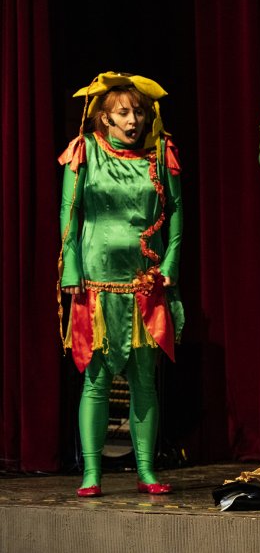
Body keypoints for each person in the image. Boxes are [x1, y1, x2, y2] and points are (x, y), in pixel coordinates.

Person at [58, 72, 184, 497]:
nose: (133, 120)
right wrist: (70, 267)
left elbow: (177, 212)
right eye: (124, 113)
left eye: (139, 113)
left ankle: (146, 470)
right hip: (96, 282)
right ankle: (92, 472)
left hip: (143, 282)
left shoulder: (161, 155)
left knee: (143, 380)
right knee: (95, 379)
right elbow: (70, 211)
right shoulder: (85, 150)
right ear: (105, 118)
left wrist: (171, 261)